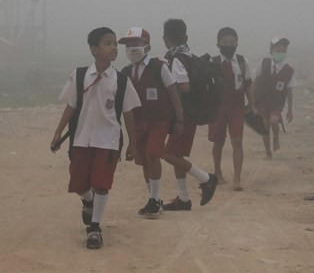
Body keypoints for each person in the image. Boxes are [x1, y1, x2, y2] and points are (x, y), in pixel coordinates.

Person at [50, 27, 140, 249]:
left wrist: (133, 144)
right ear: (94, 49)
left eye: (114, 44)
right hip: (81, 139)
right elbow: (71, 106)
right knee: (79, 183)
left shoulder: (121, 81)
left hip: (108, 140)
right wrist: (58, 131)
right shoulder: (79, 75)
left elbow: (128, 113)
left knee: (102, 184)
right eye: (108, 43)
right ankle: (88, 200)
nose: (114, 48)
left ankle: (95, 228)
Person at [118, 26, 186, 217]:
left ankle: (155, 200)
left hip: (159, 121)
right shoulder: (125, 72)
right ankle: (152, 199)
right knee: (145, 161)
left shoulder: (159, 67)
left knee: (153, 154)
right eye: (129, 45)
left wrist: (180, 119)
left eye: (136, 44)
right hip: (139, 123)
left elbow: (173, 92)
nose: (132, 48)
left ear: (146, 46)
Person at [161, 18, 217, 210]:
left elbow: (184, 86)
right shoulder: (189, 55)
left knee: (167, 154)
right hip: (191, 112)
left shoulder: (177, 58)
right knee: (176, 154)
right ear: (185, 36)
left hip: (184, 114)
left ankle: (207, 178)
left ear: (165, 38)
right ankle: (183, 199)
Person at [208, 27, 253, 191]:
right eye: (225, 42)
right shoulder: (212, 63)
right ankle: (217, 171)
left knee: (237, 141)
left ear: (237, 44)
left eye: (232, 42)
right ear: (218, 44)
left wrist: (252, 105)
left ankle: (237, 178)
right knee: (218, 141)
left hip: (236, 107)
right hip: (217, 108)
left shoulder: (242, 62)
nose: (229, 45)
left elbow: (248, 85)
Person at [252, 37, 296, 160]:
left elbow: (290, 90)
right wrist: (252, 102)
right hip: (262, 101)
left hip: (276, 103)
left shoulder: (288, 70)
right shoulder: (264, 63)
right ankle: (268, 152)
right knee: (265, 125)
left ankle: (276, 137)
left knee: (273, 121)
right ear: (271, 51)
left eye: (283, 51)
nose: (280, 53)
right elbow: (255, 81)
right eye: (277, 50)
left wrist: (290, 110)